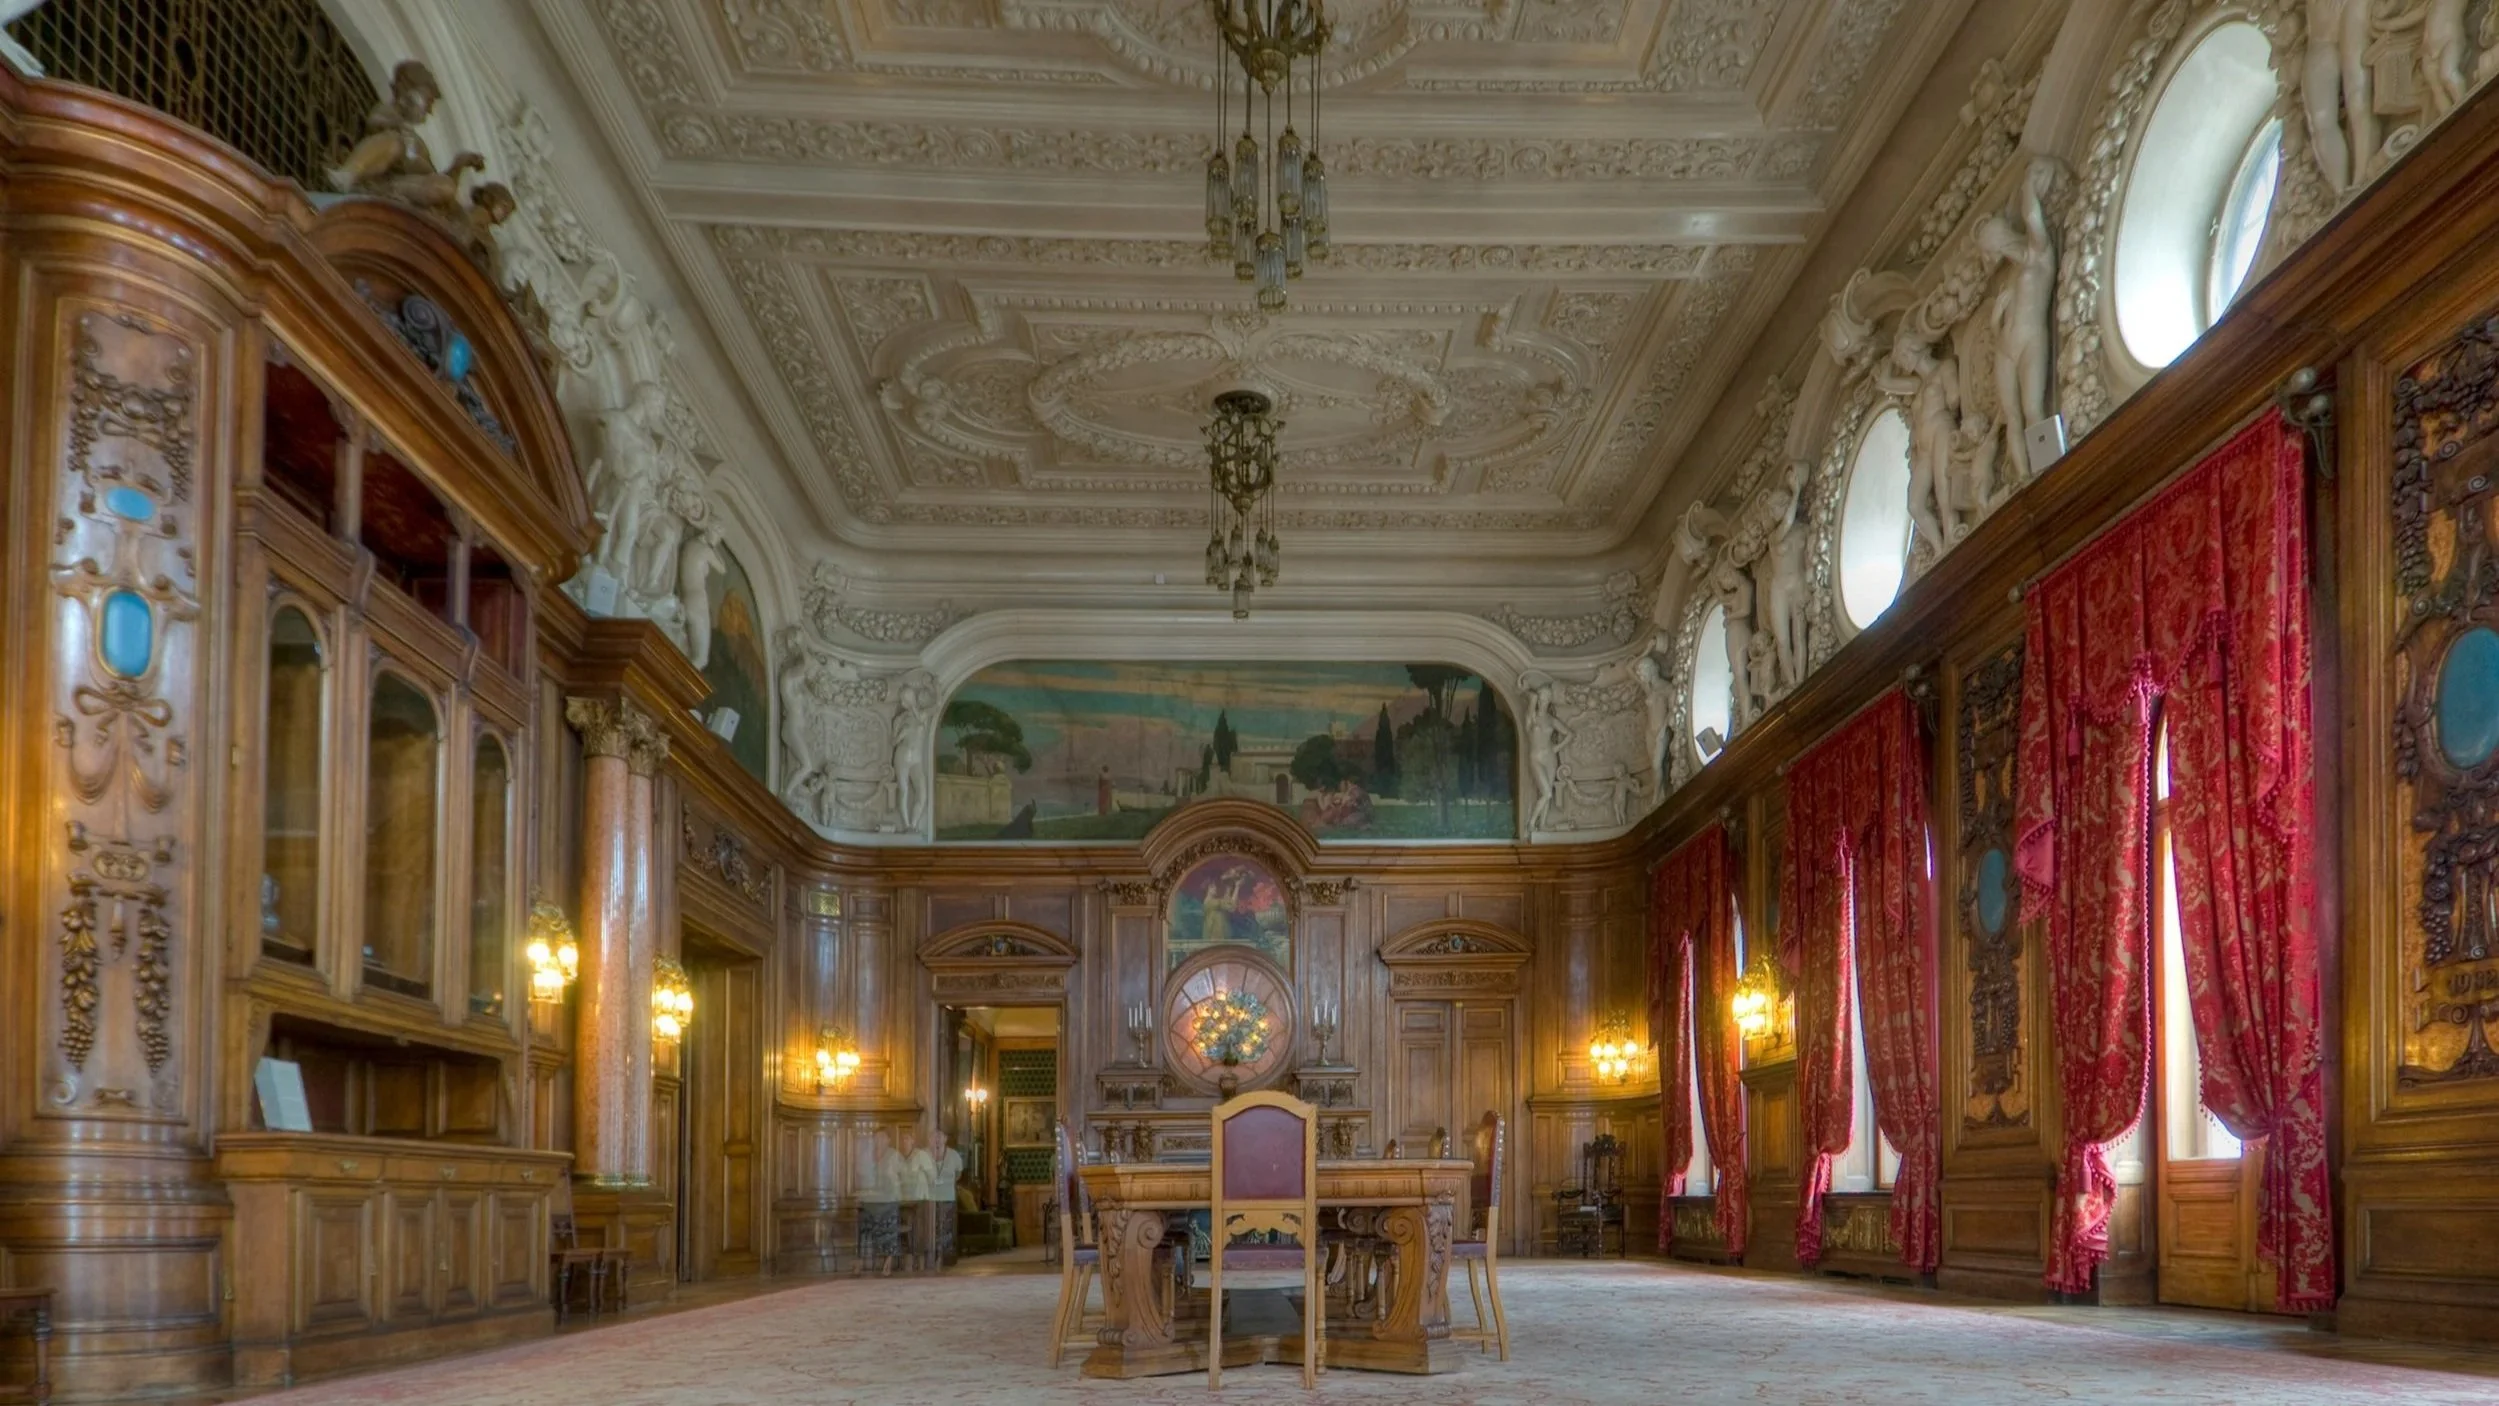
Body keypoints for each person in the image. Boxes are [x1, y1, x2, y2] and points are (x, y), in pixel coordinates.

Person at [856, 1128, 903, 1277]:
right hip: (871, 1200)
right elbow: (861, 1175)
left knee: (889, 1227)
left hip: (889, 1201)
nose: (879, 1140)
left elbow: (902, 1178)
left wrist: (891, 1177)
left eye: (883, 1137)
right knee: (862, 1225)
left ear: (889, 1140)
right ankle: (860, 1262)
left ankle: (887, 1263)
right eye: (876, 1137)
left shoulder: (895, 1156)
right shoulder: (867, 1155)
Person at [927, 1128, 966, 1267]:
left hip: (947, 1197)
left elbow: (958, 1174)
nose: (936, 1140)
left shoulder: (954, 1155)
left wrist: (947, 1182)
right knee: (931, 1228)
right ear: (929, 1139)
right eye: (933, 1136)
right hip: (929, 1199)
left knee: (946, 1228)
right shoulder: (924, 1154)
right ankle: (931, 1256)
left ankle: (944, 1257)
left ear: (945, 1139)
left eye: (940, 1136)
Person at [899, 1128, 936, 1271]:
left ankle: (920, 1260)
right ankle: (908, 1259)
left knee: (919, 1231)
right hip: (904, 1201)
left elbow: (931, 1176)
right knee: (907, 1230)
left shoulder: (921, 1156)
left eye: (907, 1139)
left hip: (920, 1200)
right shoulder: (901, 1158)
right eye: (902, 1139)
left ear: (913, 1141)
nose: (904, 1142)